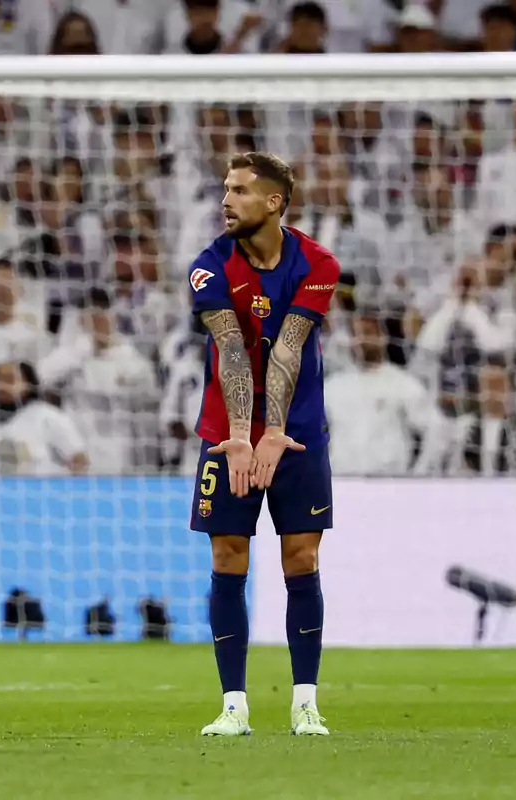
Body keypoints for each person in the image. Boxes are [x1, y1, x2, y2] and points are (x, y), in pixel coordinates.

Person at [187, 152, 340, 737]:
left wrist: (275, 434)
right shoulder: (210, 265)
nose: (226, 199)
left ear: (274, 202)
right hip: (225, 437)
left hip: (298, 434)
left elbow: (288, 349)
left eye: (240, 191)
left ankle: (305, 703)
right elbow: (230, 350)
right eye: (225, 189)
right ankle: (234, 706)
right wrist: (240, 438)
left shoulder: (317, 261)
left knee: (301, 558)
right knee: (229, 558)